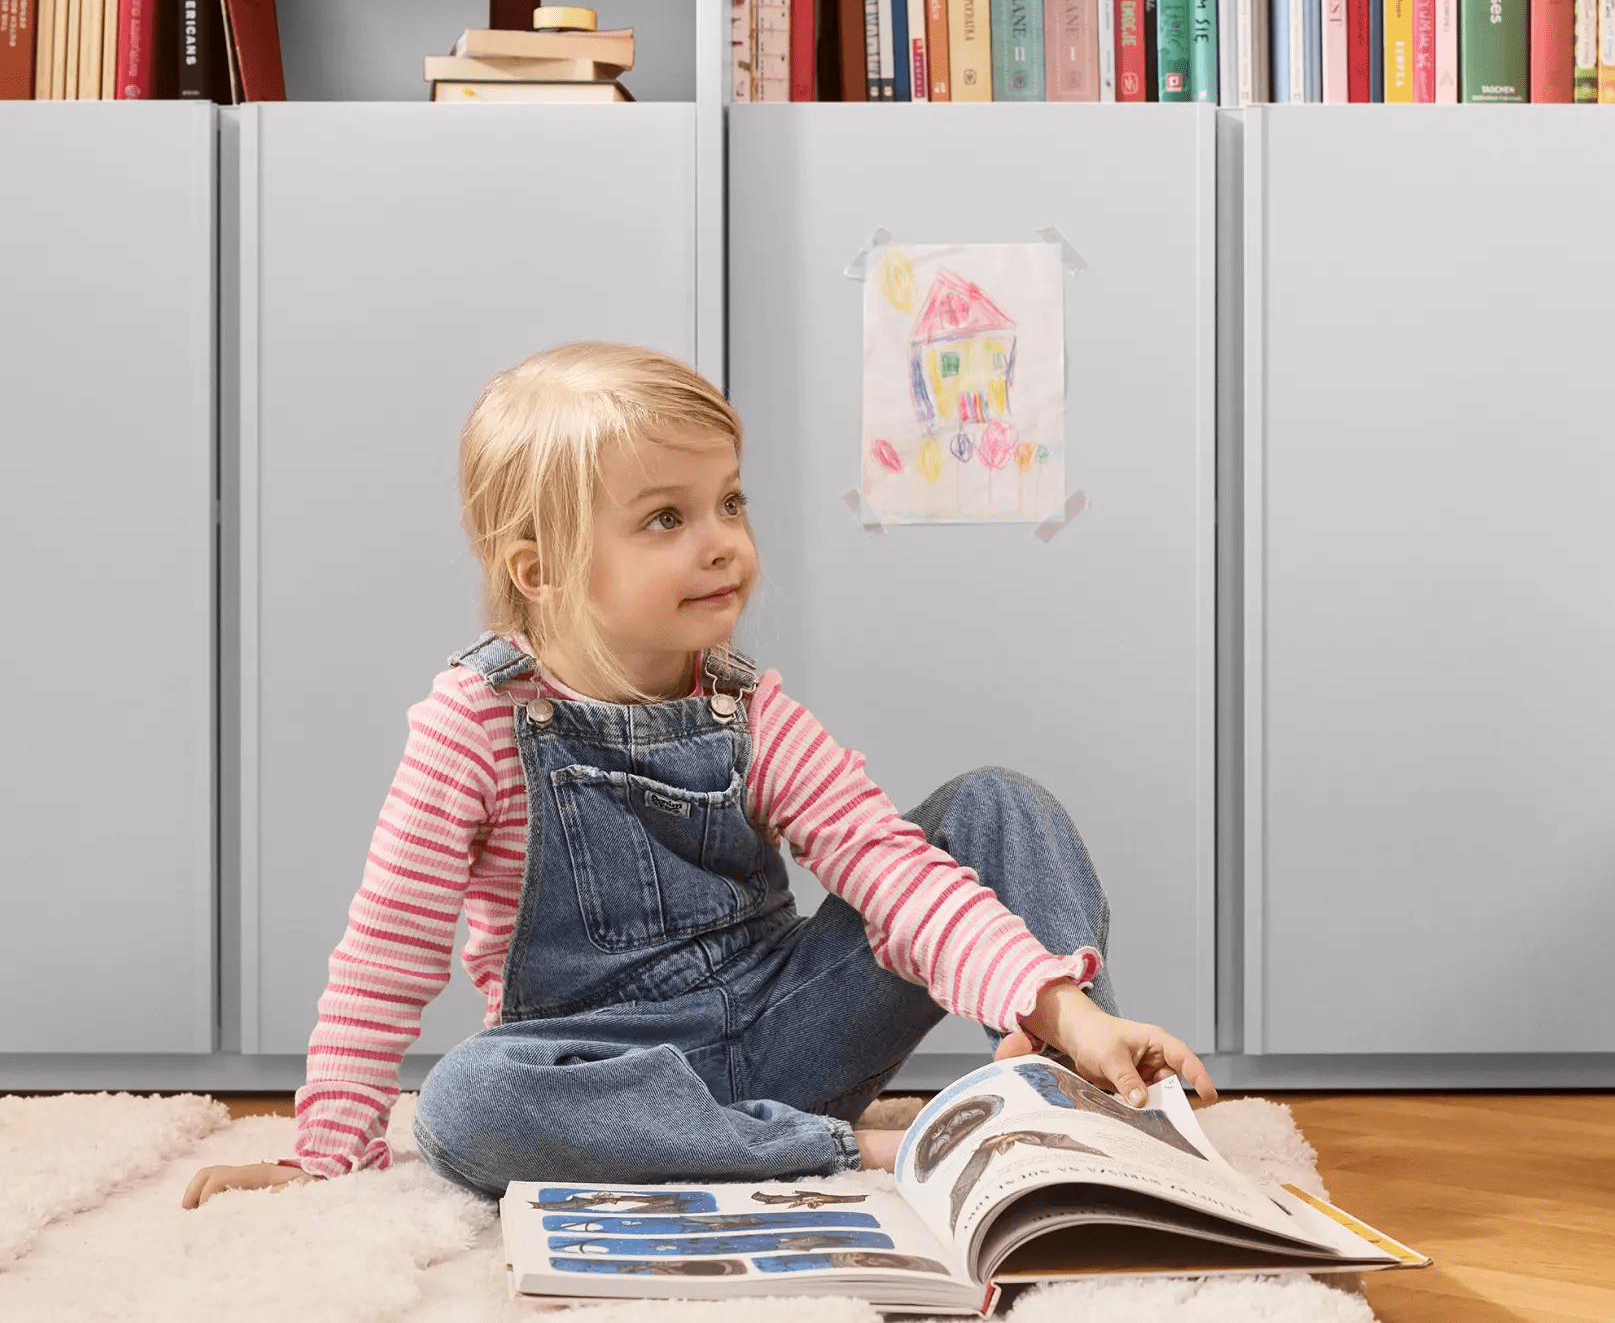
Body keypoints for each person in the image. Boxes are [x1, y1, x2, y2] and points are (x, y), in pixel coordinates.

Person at [182, 341, 1214, 1209]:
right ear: (538, 569)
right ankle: (831, 1152)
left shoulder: (747, 706)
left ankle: (1081, 1088)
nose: (723, 543)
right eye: (666, 519)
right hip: (600, 1072)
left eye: (727, 501)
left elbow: (888, 870)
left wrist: (1057, 1005)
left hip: (788, 1028)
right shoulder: (474, 722)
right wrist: (324, 1158)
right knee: (463, 1104)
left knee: (993, 804)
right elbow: (386, 954)